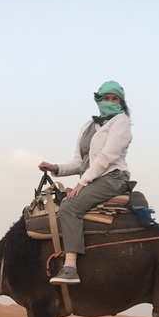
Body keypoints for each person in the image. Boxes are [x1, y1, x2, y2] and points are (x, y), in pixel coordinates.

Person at [38, 81, 132, 285]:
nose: (109, 102)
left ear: (121, 102)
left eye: (114, 98)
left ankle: (70, 267)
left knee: (70, 207)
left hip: (113, 177)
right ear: (98, 100)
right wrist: (56, 168)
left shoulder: (120, 121)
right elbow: (80, 162)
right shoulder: (88, 126)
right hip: (93, 178)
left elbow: (108, 156)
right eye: (105, 98)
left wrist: (82, 183)